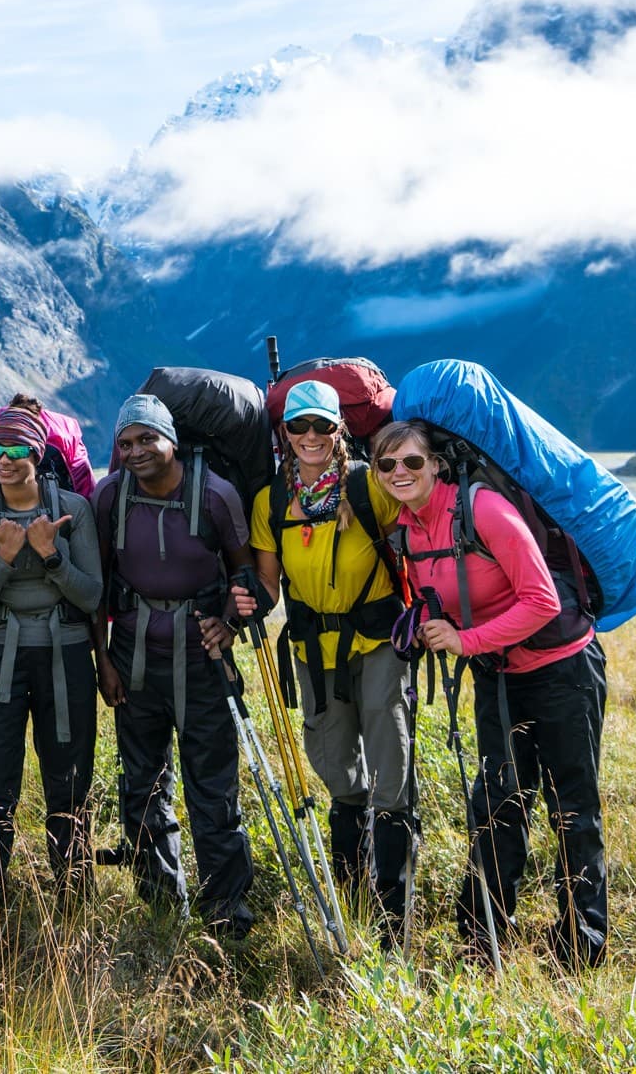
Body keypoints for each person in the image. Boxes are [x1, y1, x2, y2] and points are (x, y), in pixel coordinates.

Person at [375, 419, 608, 968]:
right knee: (497, 803)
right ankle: (483, 939)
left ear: (436, 463)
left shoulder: (484, 511)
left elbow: (542, 601)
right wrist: (426, 625)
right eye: (387, 465)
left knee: (571, 808)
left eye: (412, 461)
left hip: (561, 671)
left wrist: (465, 640)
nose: (399, 473)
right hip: (496, 674)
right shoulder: (409, 529)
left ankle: (583, 947)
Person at [249, 380, 415, 933]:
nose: (311, 436)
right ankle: (354, 898)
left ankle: (393, 918)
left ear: (339, 429)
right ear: (285, 434)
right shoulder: (271, 502)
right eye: (300, 426)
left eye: (322, 425)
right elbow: (269, 590)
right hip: (313, 651)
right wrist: (240, 601)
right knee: (337, 770)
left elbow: (413, 543)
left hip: (380, 644)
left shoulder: (371, 487)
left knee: (391, 770)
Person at [93, 393, 260, 938]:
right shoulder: (110, 496)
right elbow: (97, 589)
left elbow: (246, 578)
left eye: (147, 439)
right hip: (133, 660)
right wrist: (104, 661)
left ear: (173, 441)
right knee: (142, 784)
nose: (136, 451)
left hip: (204, 662)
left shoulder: (215, 495)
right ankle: (163, 904)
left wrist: (230, 626)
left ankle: (225, 914)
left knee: (213, 787)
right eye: (126, 443)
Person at [0, 402, 103, 908]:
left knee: (70, 779)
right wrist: (6, 560)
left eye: (16, 450)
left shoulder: (73, 512)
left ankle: (73, 896)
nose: (3, 460)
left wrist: (51, 555)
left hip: (65, 656)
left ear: (38, 453)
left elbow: (93, 597)